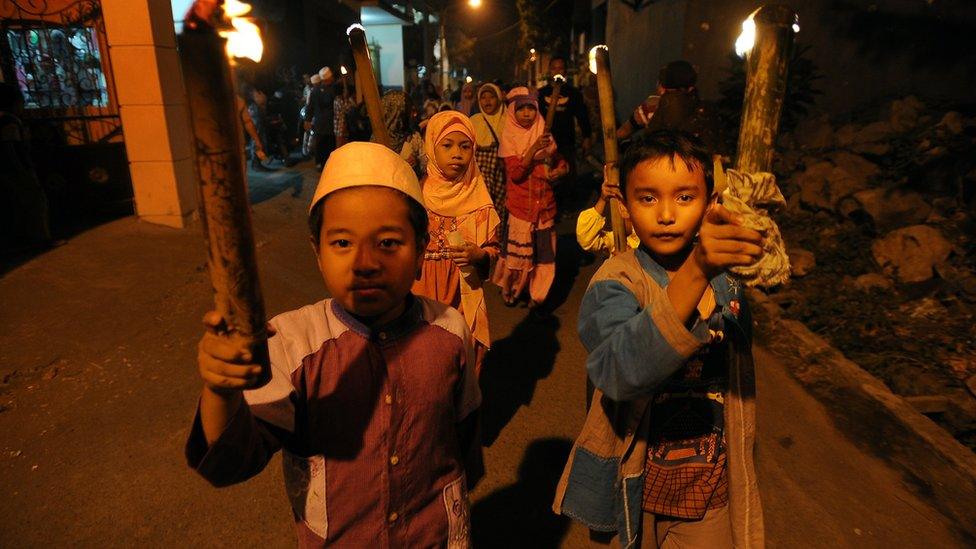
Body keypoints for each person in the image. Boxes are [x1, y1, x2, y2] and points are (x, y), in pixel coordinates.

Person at [187, 141, 483, 547]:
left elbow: (462, 437)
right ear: (318, 253)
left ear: (420, 252)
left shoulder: (450, 331)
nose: (365, 262)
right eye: (342, 242)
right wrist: (221, 389)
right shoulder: (290, 345)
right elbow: (230, 463)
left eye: (389, 243)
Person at [552, 130, 765, 547]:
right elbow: (618, 372)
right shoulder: (617, 282)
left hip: (709, 493)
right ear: (626, 207)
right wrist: (697, 270)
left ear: (709, 203)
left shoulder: (727, 283)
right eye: (648, 198)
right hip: (634, 488)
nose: (666, 214)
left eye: (685, 197)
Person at [413, 111, 500, 375]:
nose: (457, 154)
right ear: (432, 148)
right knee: (422, 359)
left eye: (465, 146)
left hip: (462, 293)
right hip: (420, 290)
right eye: (447, 145)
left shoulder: (479, 197)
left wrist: (479, 255)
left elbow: (493, 251)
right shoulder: (416, 193)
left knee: (460, 357)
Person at [491, 87, 568, 310]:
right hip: (521, 207)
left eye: (531, 108)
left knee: (544, 255)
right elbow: (516, 174)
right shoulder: (510, 137)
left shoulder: (545, 133)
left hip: (544, 206)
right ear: (512, 111)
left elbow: (558, 160)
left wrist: (561, 169)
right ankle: (514, 291)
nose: (527, 114)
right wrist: (534, 148)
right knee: (519, 256)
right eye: (521, 108)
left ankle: (538, 297)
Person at [616, 60, 721, 152]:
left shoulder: (652, 105)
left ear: (662, 86)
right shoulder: (706, 109)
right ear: (691, 86)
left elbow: (624, 132)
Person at [0, 83, 57, 251]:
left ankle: (30, 238)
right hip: (16, 170)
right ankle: (41, 239)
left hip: (11, 170)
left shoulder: (6, 120)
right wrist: (22, 170)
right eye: (20, 102)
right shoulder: (8, 121)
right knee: (36, 201)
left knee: (23, 203)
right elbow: (9, 147)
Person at [538, 55, 592, 210]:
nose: (557, 71)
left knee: (567, 173)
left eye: (560, 68)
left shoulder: (573, 93)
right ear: (549, 71)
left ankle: (567, 205)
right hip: (546, 142)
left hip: (566, 141)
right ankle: (550, 206)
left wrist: (587, 136)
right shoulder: (542, 94)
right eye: (554, 68)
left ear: (565, 71)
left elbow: (582, 115)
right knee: (548, 174)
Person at [575, 163, 639, 254]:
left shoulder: (649, 243)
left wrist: (629, 259)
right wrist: (603, 199)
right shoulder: (617, 240)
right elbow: (586, 240)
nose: (621, 212)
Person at [469, 83, 507, 231]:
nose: (487, 101)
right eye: (483, 97)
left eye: (491, 97)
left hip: (501, 172)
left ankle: (497, 242)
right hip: (480, 174)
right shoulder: (474, 120)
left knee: (499, 206)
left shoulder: (507, 120)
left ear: (498, 98)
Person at [305, 66, 337, 170]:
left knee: (320, 144)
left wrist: (308, 120)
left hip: (319, 122)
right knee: (329, 144)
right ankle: (329, 165)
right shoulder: (333, 90)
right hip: (330, 123)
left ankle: (320, 164)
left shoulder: (315, 91)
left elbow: (310, 107)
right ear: (328, 78)